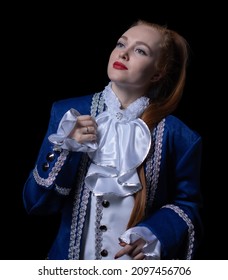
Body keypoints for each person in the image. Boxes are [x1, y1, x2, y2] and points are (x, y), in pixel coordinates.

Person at [23, 19, 203, 260]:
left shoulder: (179, 136)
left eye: (140, 50)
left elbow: (188, 204)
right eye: (121, 44)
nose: (124, 53)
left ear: (158, 73)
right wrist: (65, 149)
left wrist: (155, 234)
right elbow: (35, 204)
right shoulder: (69, 113)